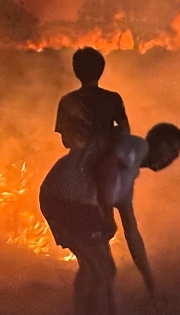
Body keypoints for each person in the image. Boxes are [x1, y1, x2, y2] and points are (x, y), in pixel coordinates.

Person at [39, 122, 180, 315]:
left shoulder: (127, 176)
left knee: (91, 268)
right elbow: (105, 168)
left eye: (175, 155)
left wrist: (150, 283)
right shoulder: (136, 146)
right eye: (170, 149)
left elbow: (132, 233)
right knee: (105, 271)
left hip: (56, 196)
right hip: (70, 200)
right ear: (156, 141)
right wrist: (107, 215)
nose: (170, 158)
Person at [55, 48, 129, 210]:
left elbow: (66, 141)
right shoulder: (113, 99)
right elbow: (125, 133)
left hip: (76, 164)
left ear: (76, 71)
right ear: (101, 70)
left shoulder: (68, 101)